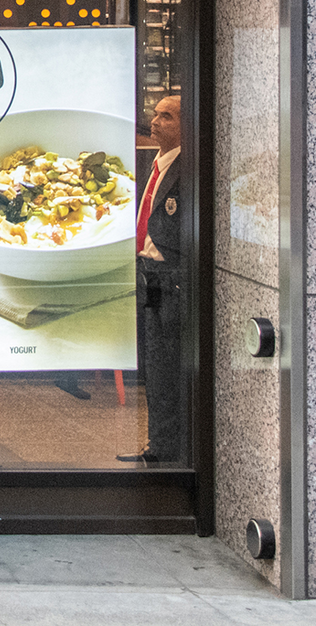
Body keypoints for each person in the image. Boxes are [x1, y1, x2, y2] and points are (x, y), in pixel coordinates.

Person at [121, 95, 184, 463]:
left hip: (171, 276)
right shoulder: (157, 165)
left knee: (167, 368)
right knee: (153, 367)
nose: (156, 121)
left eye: (167, 116)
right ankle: (158, 445)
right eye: (155, 114)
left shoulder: (186, 168)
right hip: (148, 274)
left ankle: (168, 449)